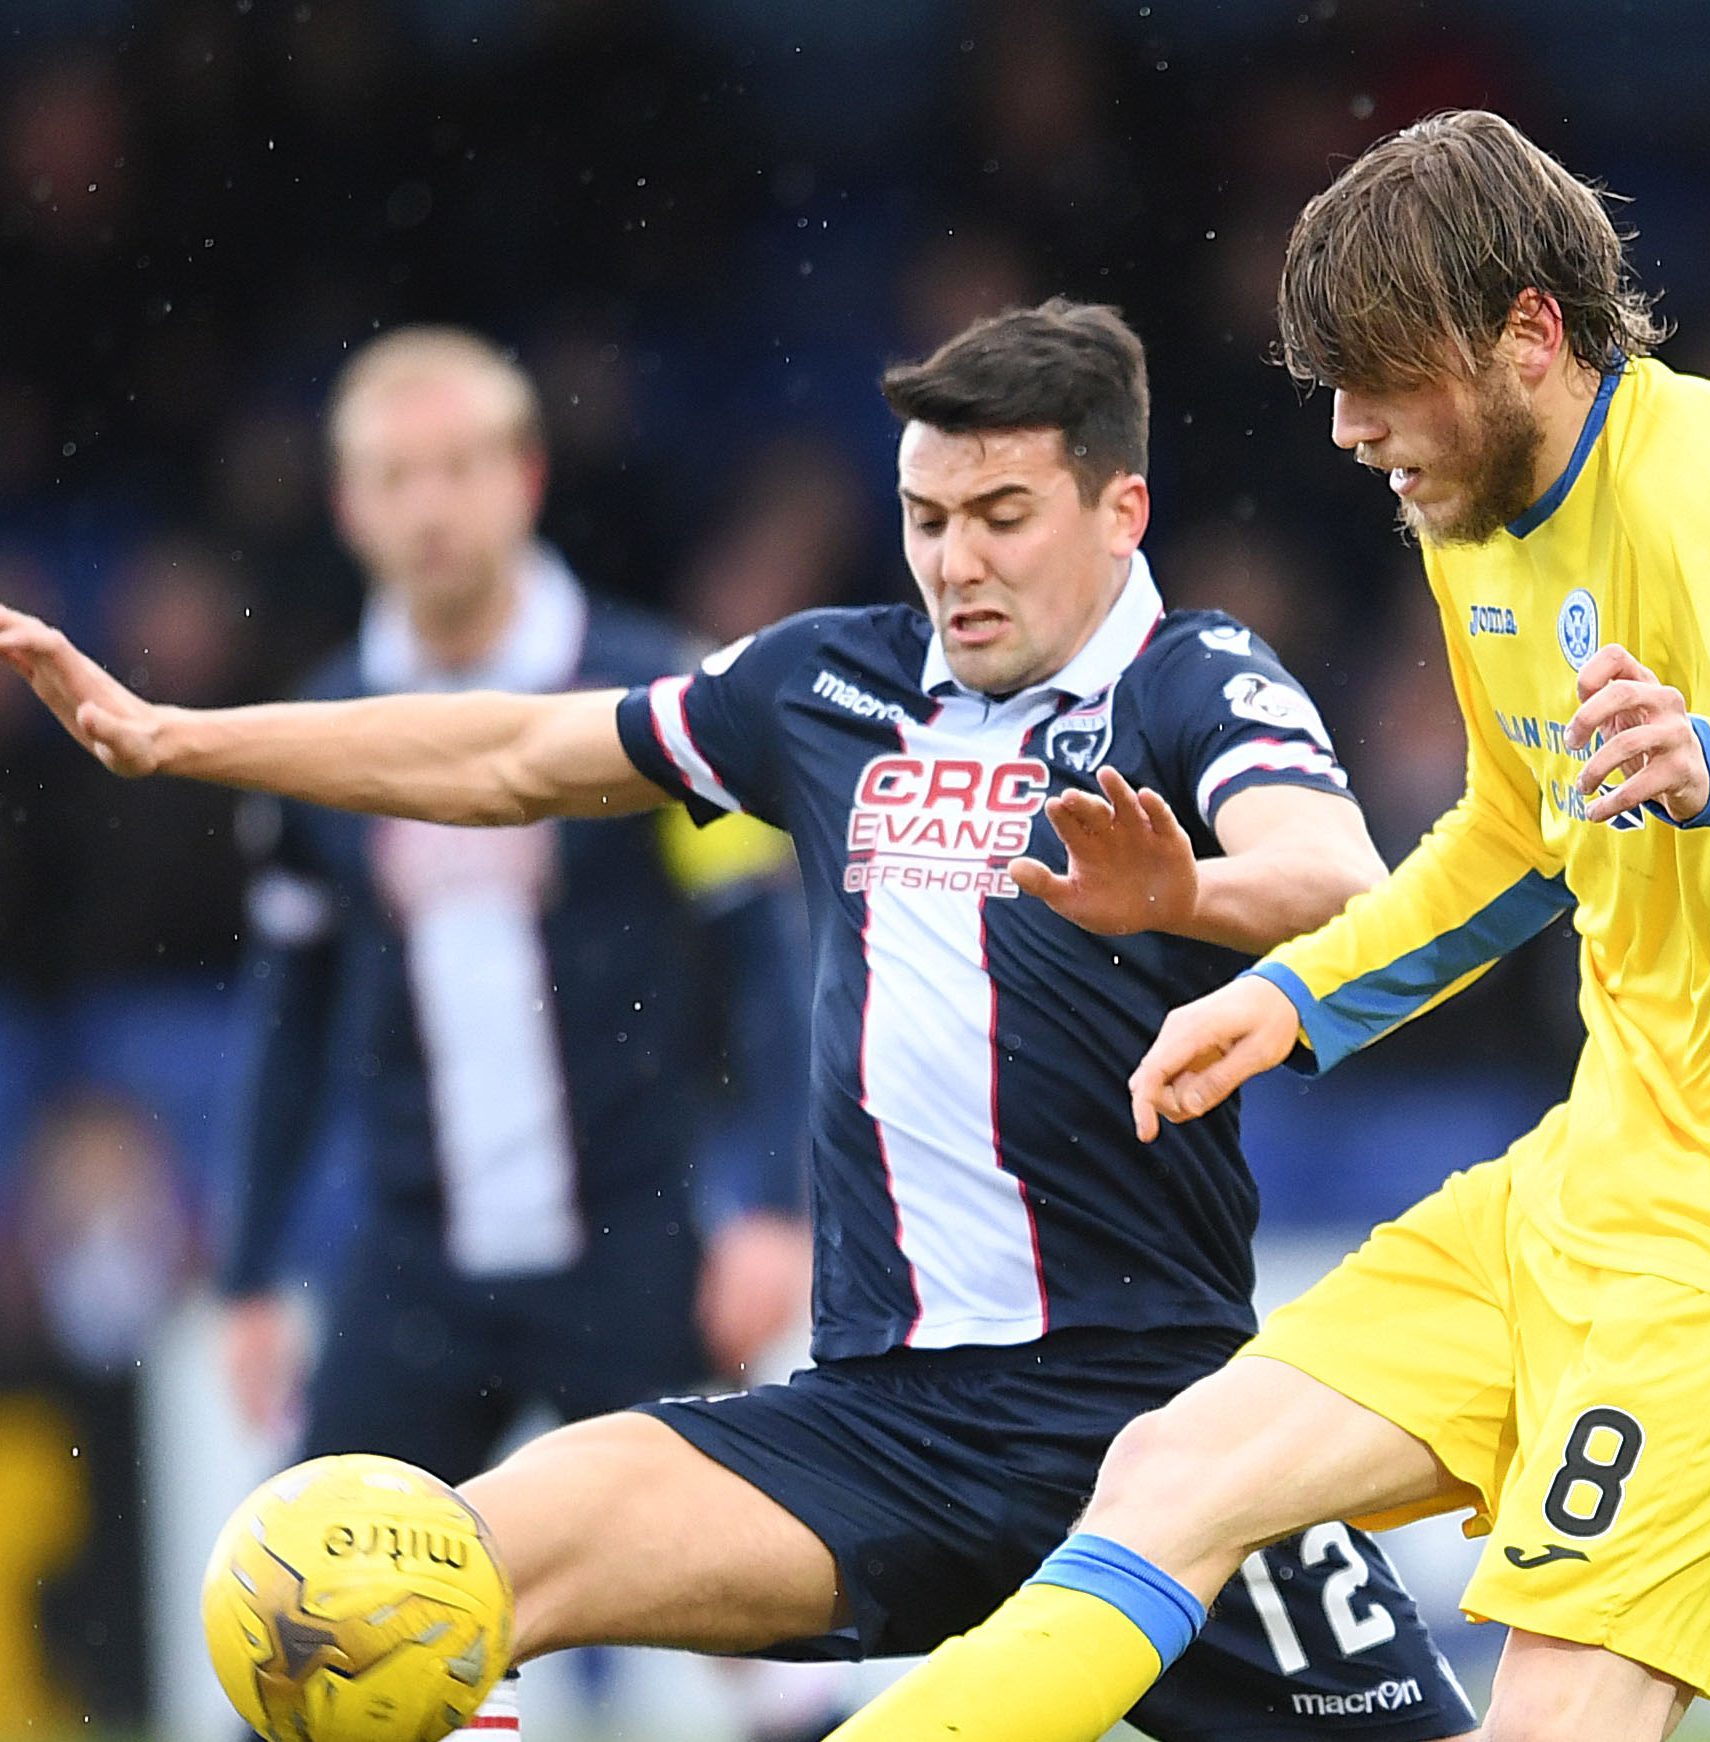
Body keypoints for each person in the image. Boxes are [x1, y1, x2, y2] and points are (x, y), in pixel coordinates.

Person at [0, 300, 1479, 1742]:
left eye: (1003, 514)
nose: (954, 560)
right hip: (875, 1429)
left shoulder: (1195, 682)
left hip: (1159, 1431)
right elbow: (519, 745)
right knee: (418, 1572)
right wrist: (177, 736)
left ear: (1119, 509)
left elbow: (1340, 877)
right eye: (926, 515)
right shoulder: (826, 683)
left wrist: (1189, 897)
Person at [815, 111, 1710, 1742]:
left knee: (1551, 1710)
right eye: (1330, 385)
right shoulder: (1473, 524)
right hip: (1591, 1177)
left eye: (1376, 379)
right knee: (1178, 1468)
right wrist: (1301, 991)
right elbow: (1516, 835)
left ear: (1527, 337)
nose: (1345, 428)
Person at [213, 328, 814, 1489]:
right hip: (412, 1265)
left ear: (526, 477)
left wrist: (782, 1207)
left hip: (639, 1237)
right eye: (396, 475)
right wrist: (246, 1275)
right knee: (327, 1608)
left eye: (460, 466)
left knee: (756, 1629)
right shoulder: (313, 737)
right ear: (348, 505)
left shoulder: (669, 698)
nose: (430, 505)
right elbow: (287, 1012)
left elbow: (772, 967)